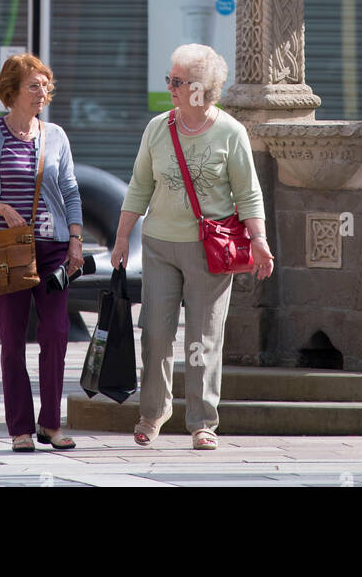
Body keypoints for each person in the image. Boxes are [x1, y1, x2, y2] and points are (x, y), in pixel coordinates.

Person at [111, 43, 274, 451]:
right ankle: (152, 412)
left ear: (201, 89)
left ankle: (202, 421)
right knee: (156, 333)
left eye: (178, 81)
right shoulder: (157, 128)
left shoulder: (230, 132)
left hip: (210, 250)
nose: (170, 87)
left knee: (203, 337)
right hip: (160, 245)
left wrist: (259, 241)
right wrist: (119, 238)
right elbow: (138, 187)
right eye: (170, 79)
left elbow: (249, 194)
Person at [0, 52, 83, 452]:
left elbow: (69, 191)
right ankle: (20, 429)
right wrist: (0, 208)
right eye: (34, 85)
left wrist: (76, 239)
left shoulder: (56, 136)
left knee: (57, 335)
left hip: (52, 249)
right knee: (12, 341)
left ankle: (51, 424)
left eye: (46, 85)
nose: (42, 92)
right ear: (10, 92)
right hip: (8, 252)